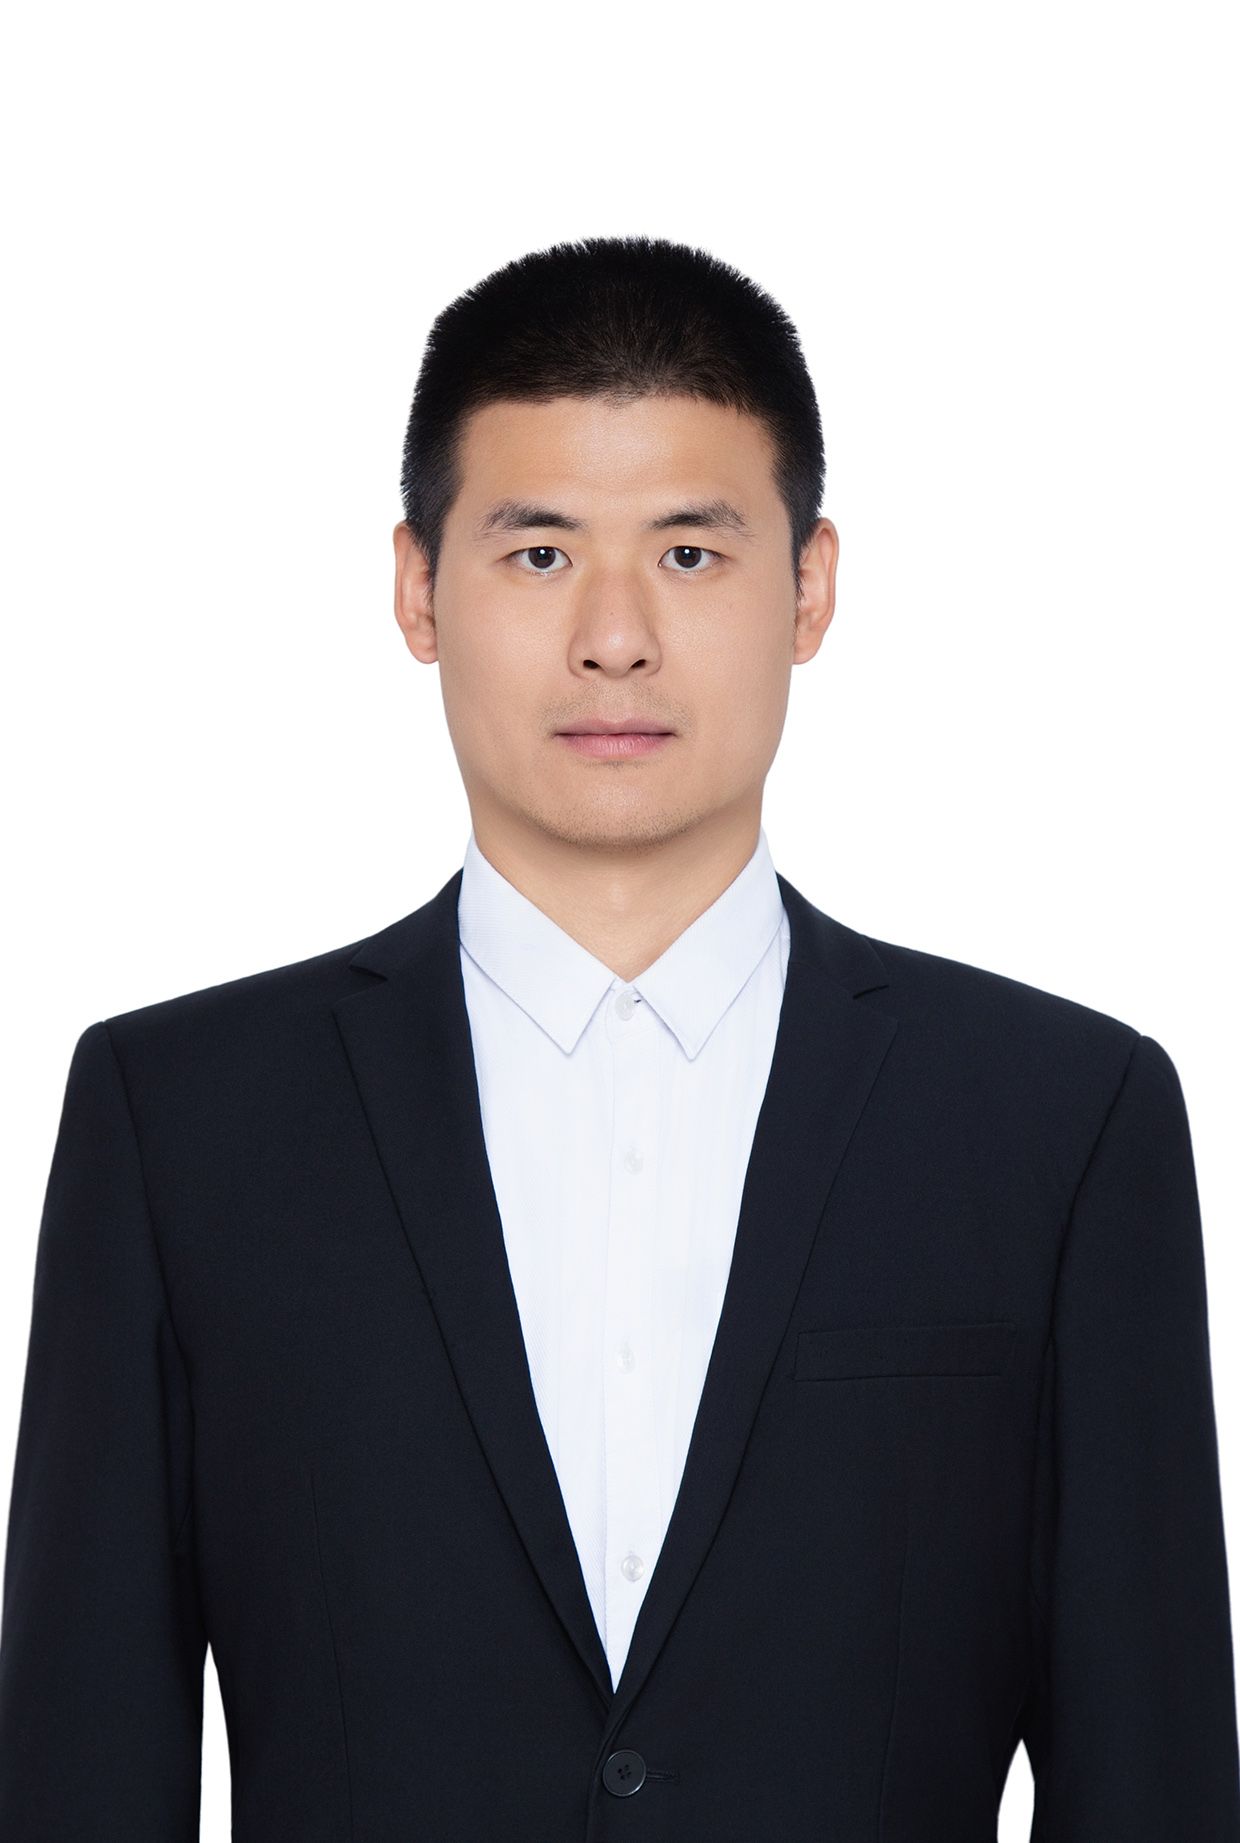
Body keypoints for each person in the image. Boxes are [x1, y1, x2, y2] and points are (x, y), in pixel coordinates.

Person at [1, 233, 1237, 1840]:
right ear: (415, 588)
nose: (614, 637)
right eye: (537, 553)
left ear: (811, 587)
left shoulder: (1059, 1119)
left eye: (692, 553)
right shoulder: (181, 1119)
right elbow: (80, 1765)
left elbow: (1153, 1776)